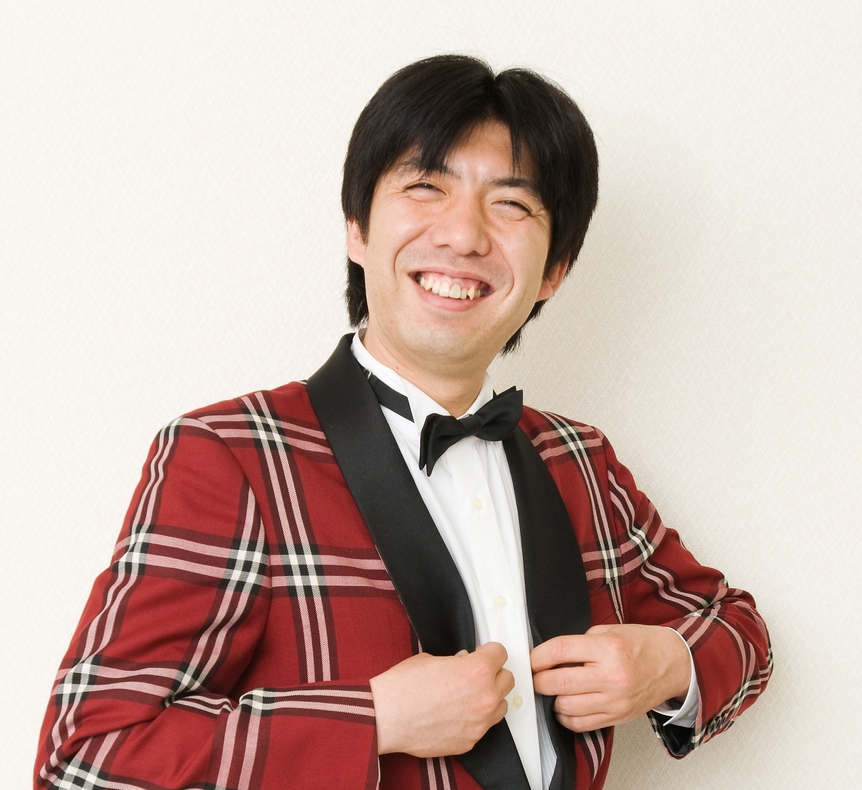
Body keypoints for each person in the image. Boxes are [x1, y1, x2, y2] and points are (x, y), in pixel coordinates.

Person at [35, 55, 771, 790]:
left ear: (554, 270)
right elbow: (85, 758)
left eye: (511, 205)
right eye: (426, 187)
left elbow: (737, 627)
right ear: (358, 228)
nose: (464, 235)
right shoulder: (231, 457)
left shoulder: (578, 458)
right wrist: (375, 717)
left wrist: (667, 666)